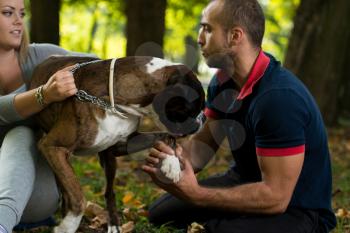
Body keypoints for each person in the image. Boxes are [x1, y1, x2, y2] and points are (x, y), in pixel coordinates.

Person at [142, 0, 336, 232]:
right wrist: (174, 160)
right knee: (159, 214)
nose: (199, 37)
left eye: (208, 28)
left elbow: (276, 197)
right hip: (245, 180)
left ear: (235, 36)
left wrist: (197, 195)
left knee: (214, 229)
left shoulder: (278, 99)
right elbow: (202, 149)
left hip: (297, 208)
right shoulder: (222, 83)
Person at [0, 0, 90, 232]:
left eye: (22, 13)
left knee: (22, 133)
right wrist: (44, 94)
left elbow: (101, 66)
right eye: (8, 13)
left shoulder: (44, 57)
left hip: (35, 196)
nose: (19, 21)